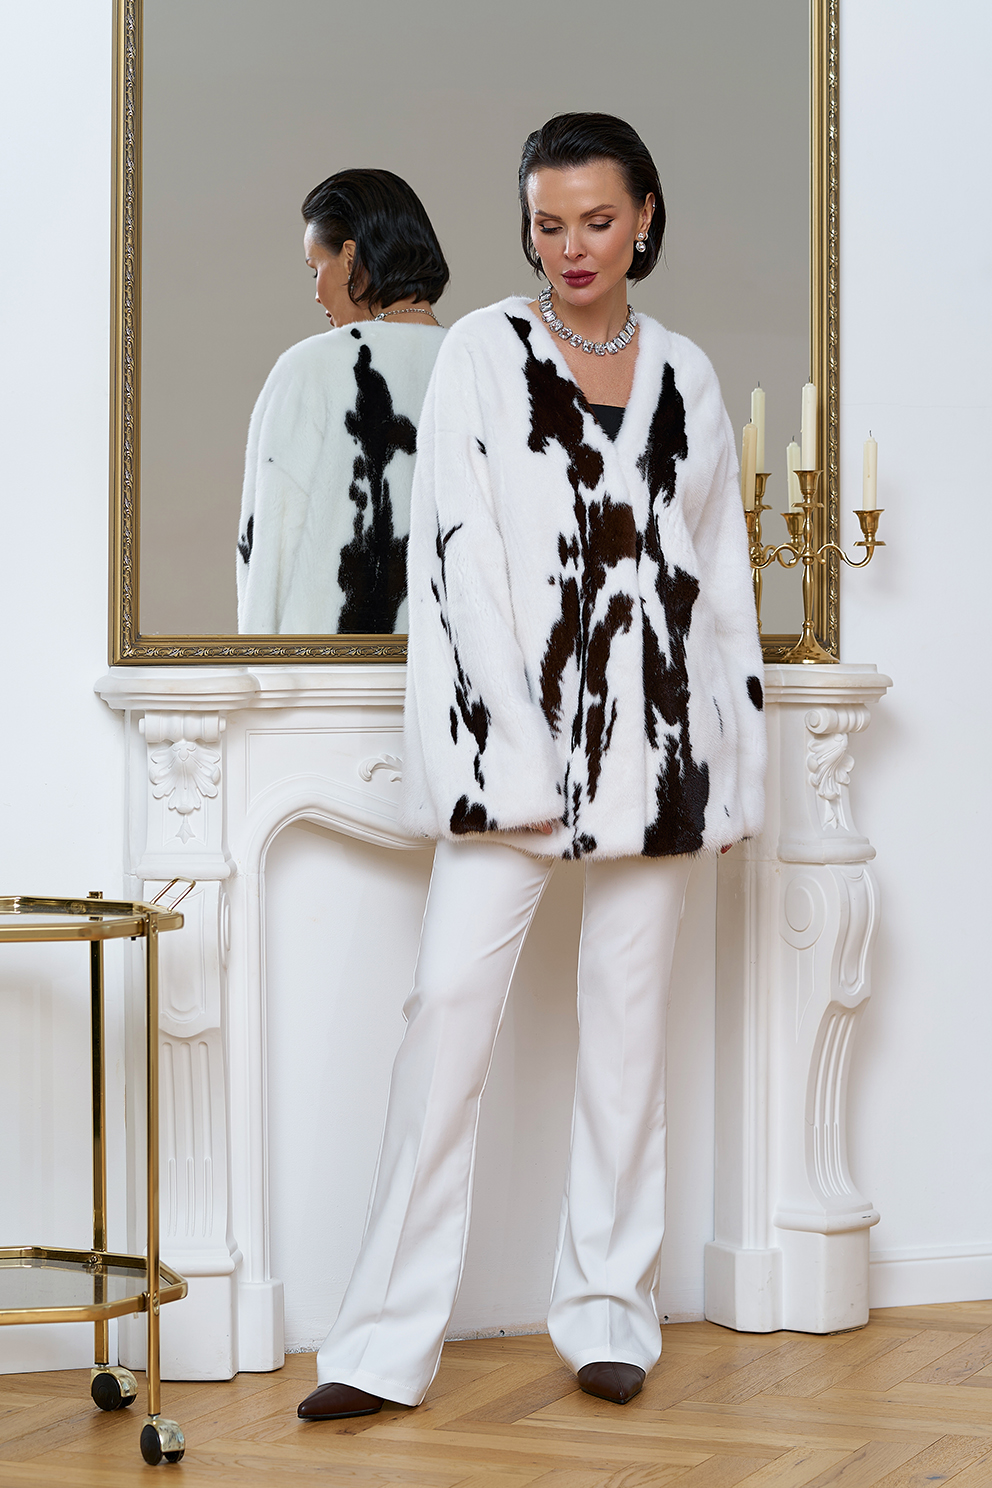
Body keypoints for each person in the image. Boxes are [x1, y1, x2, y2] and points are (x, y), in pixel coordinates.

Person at [298, 113, 766, 1422]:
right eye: (549, 223)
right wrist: (516, 742)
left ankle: (611, 1311)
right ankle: (379, 1343)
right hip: (513, 753)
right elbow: (458, 555)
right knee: (446, 1015)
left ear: (646, 218)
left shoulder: (687, 375)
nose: (572, 247)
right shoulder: (482, 355)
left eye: (598, 221)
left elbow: (718, 587)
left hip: (660, 748)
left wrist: (728, 767)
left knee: (628, 1034)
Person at [236, 169, 448, 634]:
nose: (316, 293)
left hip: (330, 672)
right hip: (451, 671)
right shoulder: (480, 366)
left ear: (350, 259)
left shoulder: (310, 370)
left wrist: (257, 667)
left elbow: (269, 551)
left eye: (317, 268)